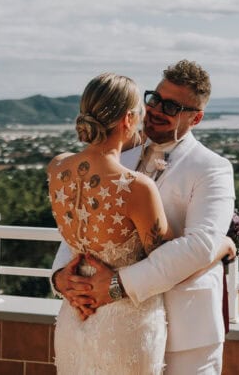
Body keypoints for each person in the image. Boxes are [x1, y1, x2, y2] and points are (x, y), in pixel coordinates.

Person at [52, 60, 236, 374]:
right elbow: (83, 224)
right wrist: (61, 279)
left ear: (197, 117)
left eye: (172, 106)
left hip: (186, 333)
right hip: (104, 322)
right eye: (154, 99)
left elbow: (199, 245)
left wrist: (115, 286)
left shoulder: (211, 168)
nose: (156, 110)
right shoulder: (116, 154)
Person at [48, 73, 169, 373]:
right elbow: (165, 258)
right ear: (128, 119)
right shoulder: (136, 187)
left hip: (75, 313)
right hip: (125, 323)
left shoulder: (57, 168)